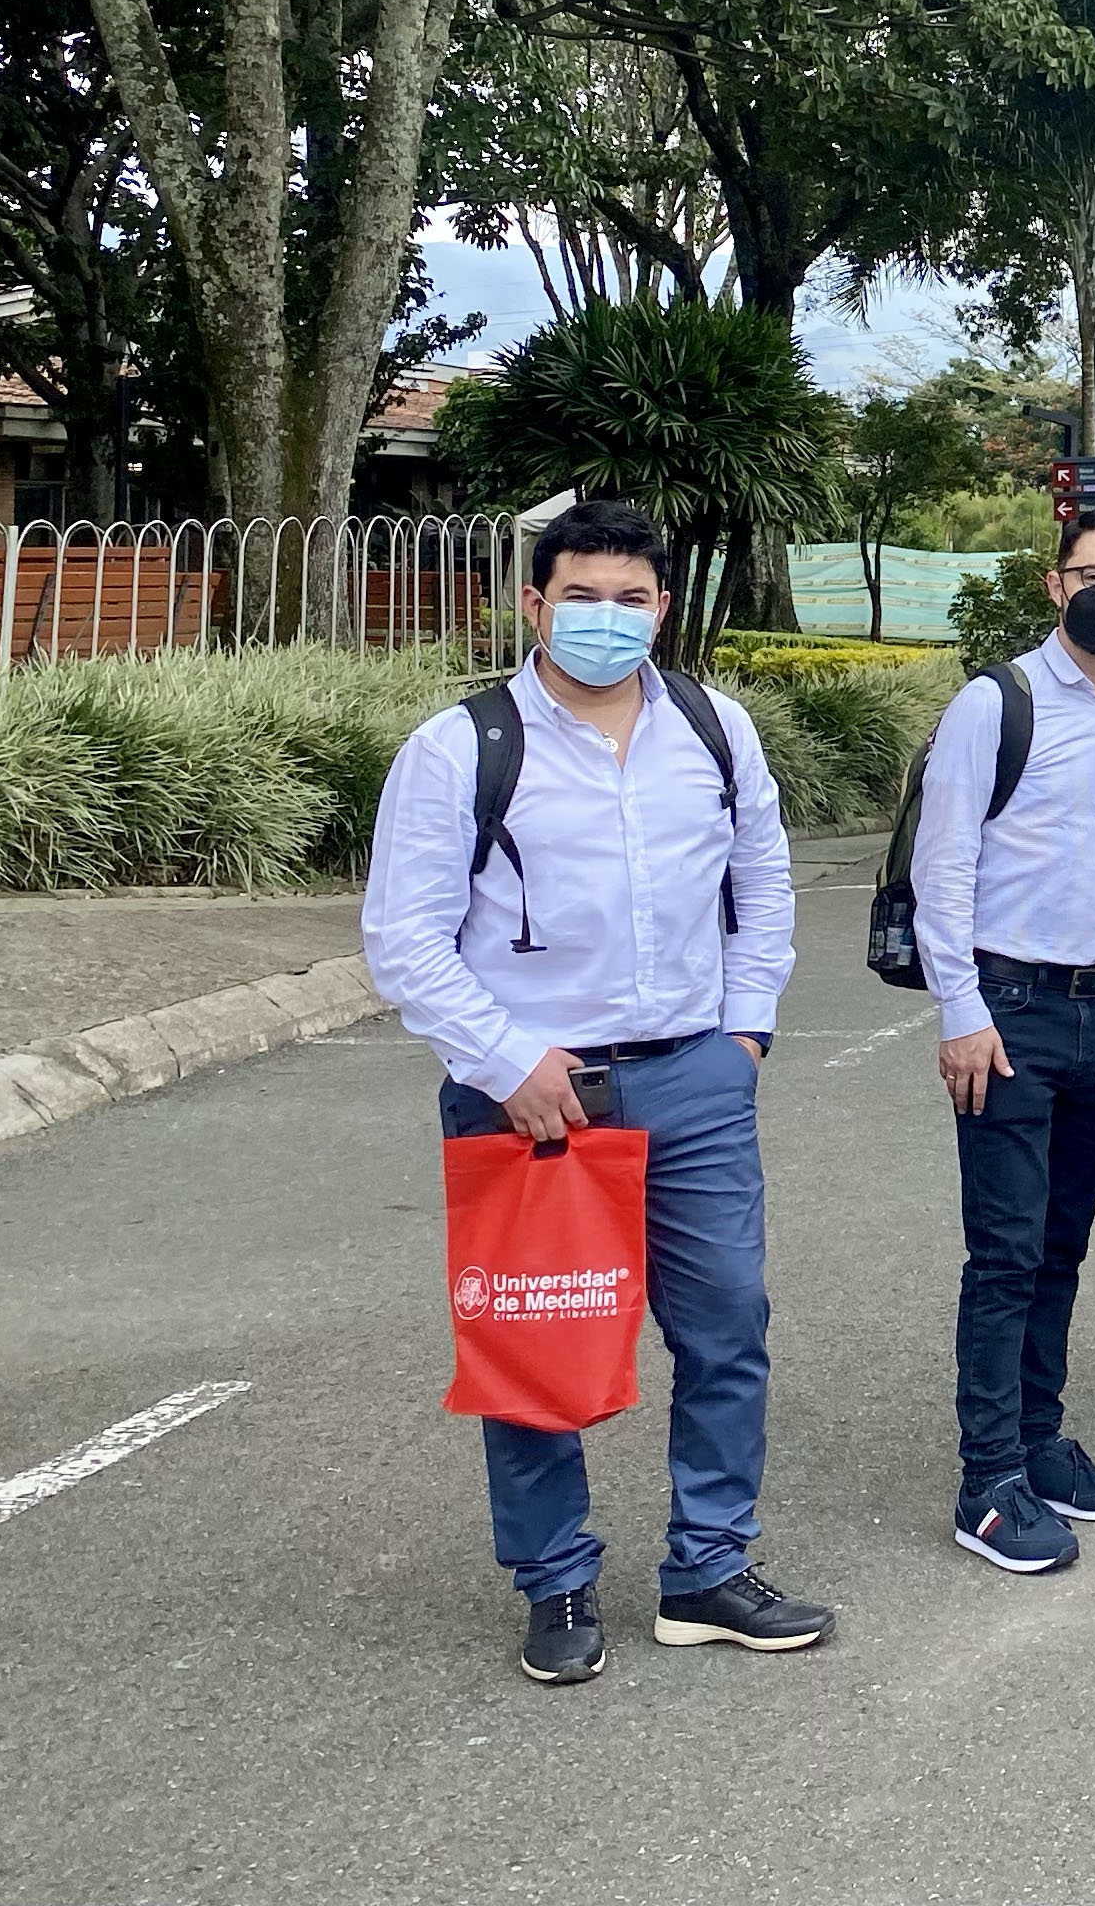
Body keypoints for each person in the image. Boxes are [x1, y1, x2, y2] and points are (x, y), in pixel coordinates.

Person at [361, 496, 828, 1682]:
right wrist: (506, 1061)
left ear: (663, 608)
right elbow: (404, 938)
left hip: (694, 1080)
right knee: (538, 1345)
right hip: (530, 1096)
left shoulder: (716, 730)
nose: (605, 620)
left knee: (728, 1329)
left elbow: (763, 888)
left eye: (631, 600)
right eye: (580, 597)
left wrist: (746, 1035)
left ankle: (708, 1568)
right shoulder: (461, 748)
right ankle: (556, 1583)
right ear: (533, 602)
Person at [909, 510, 1095, 1576]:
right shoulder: (1000, 703)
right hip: (1011, 1012)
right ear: (1054, 585)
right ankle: (988, 1483)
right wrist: (961, 1013)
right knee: (1006, 1253)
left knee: (1063, 1245)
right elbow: (945, 870)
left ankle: (1038, 1442)